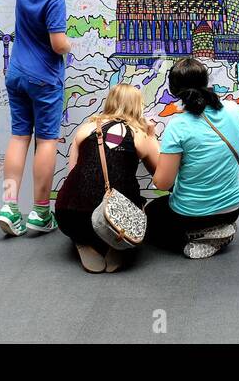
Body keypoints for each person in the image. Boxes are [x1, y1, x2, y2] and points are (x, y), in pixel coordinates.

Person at [0, 0, 72, 237]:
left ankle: (9, 206)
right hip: (44, 77)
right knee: (46, 142)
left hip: (17, 74)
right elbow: (58, 44)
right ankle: (40, 213)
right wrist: (71, 45)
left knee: (18, 139)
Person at [148, 57, 239, 259]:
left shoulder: (178, 125)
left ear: (174, 90)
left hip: (191, 216)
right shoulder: (232, 109)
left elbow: (163, 183)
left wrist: (150, 143)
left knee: (151, 214)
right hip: (231, 210)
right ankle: (218, 231)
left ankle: (196, 238)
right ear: (206, 81)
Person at [55, 84, 161, 273]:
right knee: (137, 203)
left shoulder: (84, 129)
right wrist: (152, 136)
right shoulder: (138, 134)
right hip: (113, 219)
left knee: (78, 196)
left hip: (69, 215)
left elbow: (72, 174)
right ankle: (117, 243)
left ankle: (82, 241)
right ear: (137, 106)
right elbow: (160, 176)